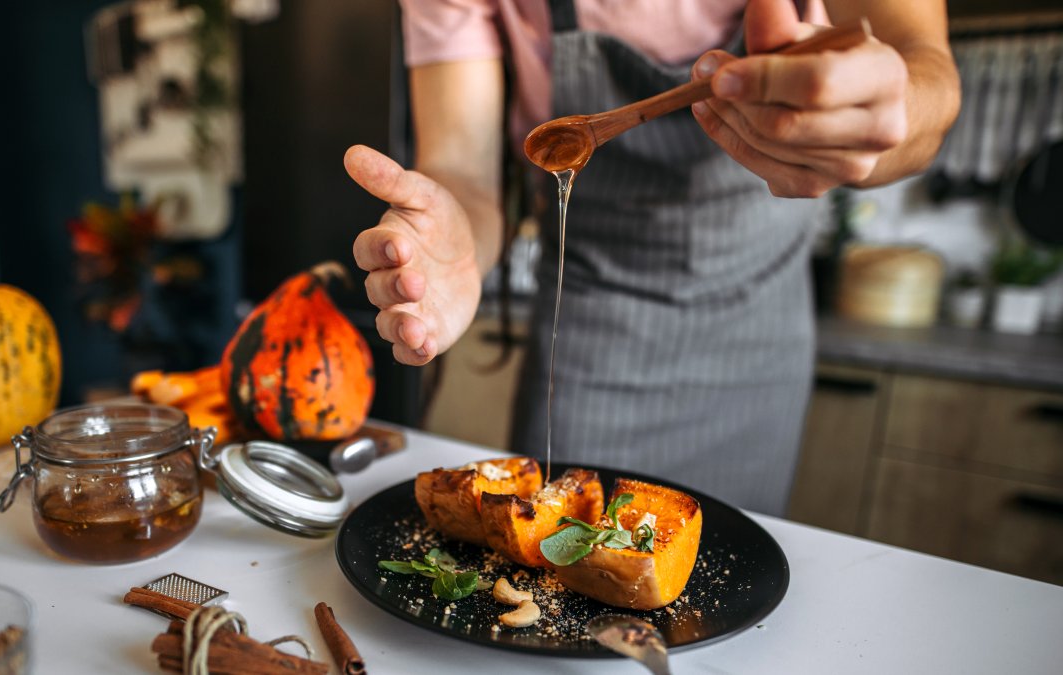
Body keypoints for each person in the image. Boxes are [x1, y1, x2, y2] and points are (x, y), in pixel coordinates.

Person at [343, 0, 959, 515]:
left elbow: (927, 76)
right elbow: (463, 167)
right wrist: (452, 236)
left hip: (757, 328)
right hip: (590, 331)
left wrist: (886, 119)